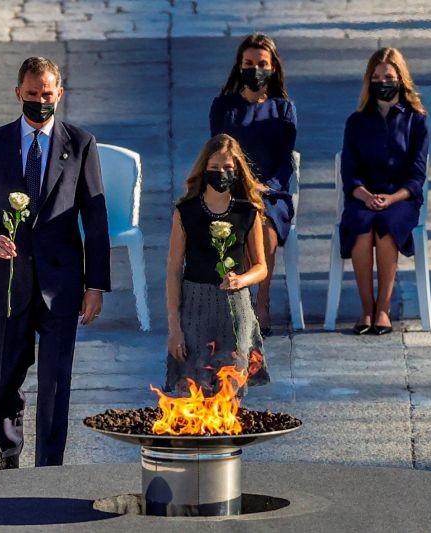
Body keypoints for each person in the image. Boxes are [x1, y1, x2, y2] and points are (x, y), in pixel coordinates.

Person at [0, 57, 111, 469]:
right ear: (18, 94)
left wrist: (95, 285)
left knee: (57, 380)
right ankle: (9, 452)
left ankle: (49, 466)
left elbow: (95, 220)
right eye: (32, 95)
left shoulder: (80, 144)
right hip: (8, 282)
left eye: (47, 94)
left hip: (61, 283)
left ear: (59, 94)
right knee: (4, 375)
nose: (40, 102)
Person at [165, 134, 271, 396]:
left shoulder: (247, 212)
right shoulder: (186, 212)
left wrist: (241, 280)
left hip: (235, 306)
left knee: (230, 390)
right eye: (214, 169)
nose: (221, 174)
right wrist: (174, 328)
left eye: (227, 169)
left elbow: (261, 266)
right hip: (195, 304)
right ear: (204, 170)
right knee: (194, 388)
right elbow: (174, 268)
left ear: (237, 171)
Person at [209, 33, 296, 337]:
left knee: (265, 228)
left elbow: (286, 161)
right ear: (239, 66)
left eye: (261, 63)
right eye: (249, 63)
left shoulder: (283, 109)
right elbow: (217, 153)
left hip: (271, 193)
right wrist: (241, 184)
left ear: (272, 68)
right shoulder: (223, 107)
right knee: (238, 220)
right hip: (231, 188)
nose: (255, 69)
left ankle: (262, 303)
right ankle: (236, 303)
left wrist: (265, 186)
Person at [339, 47, 429, 335]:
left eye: (388, 76)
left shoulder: (416, 120)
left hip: (400, 198)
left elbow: (417, 175)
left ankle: (384, 309)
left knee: (387, 225)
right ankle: (366, 308)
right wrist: (365, 195)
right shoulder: (356, 122)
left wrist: (392, 198)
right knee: (362, 226)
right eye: (376, 76)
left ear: (400, 79)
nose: (382, 81)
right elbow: (349, 172)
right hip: (363, 196)